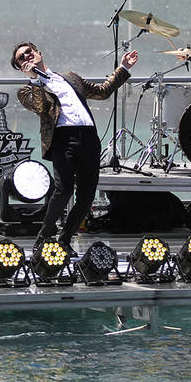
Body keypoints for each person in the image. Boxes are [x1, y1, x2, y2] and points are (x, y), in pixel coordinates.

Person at [12, 42, 138, 248]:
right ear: (20, 67)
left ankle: (65, 239)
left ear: (39, 53)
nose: (27, 56)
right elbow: (41, 107)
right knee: (64, 190)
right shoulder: (26, 91)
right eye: (21, 58)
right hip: (63, 139)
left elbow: (102, 92)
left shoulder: (70, 77)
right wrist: (35, 80)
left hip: (88, 137)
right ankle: (44, 236)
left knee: (87, 196)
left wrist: (123, 67)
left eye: (29, 52)